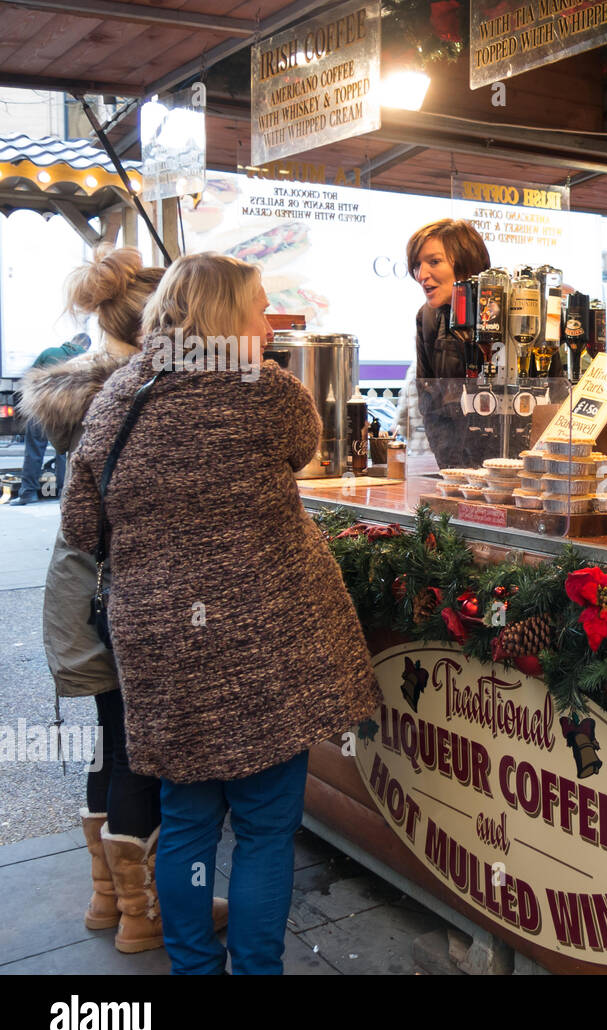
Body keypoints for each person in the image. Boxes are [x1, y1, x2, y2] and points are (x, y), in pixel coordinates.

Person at [61, 251, 382, 975]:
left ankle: (194, 968)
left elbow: (81, 524)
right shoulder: (267, 391)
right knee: (267, 829)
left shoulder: (121, 392)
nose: (268, 325)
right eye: (259, 310)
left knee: (187, 823)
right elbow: (307, 448)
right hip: (265, 639)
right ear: (226, 318)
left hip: (163, 645)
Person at [19, 248, 219, 954]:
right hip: (129, 593)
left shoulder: (77, 392)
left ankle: (110, 899)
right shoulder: (137, 396)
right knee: (144, 748)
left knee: (112, 738)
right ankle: (145, 913)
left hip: (83, 590)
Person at [406, 219, 496, 469]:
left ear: (467, 262)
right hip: (456, 469)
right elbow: (430, 404)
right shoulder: (427, 316)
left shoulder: (501, 309)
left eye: (434, 262)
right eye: (416, 265)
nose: (421, 275)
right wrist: (453, 470)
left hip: (506, 470)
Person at [13, 333, 91, 505]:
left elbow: (29, 377)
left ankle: (28, 493)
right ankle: (64, 493)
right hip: (66, 412)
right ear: (85, 347)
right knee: (64, 453)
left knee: (34, 450)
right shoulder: (87, 360)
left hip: (41, 409)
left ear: (70, 342)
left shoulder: (49, 352)